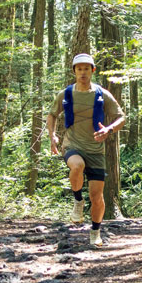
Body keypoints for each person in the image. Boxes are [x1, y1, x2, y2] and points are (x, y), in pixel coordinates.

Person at [45, 53, 126, 246]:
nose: (83, 72)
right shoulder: (66, 94)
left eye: (86, 69)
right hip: (72, 145)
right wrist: (53, 136)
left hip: (96, 150)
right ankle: (78, 201)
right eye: (79, 69)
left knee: (97, 196)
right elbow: (51, 114)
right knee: (76, 166)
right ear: (74, 71)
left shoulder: (101, 94)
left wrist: (109, 129)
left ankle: (95, 232)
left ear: (92, 71)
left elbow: (121, 117)